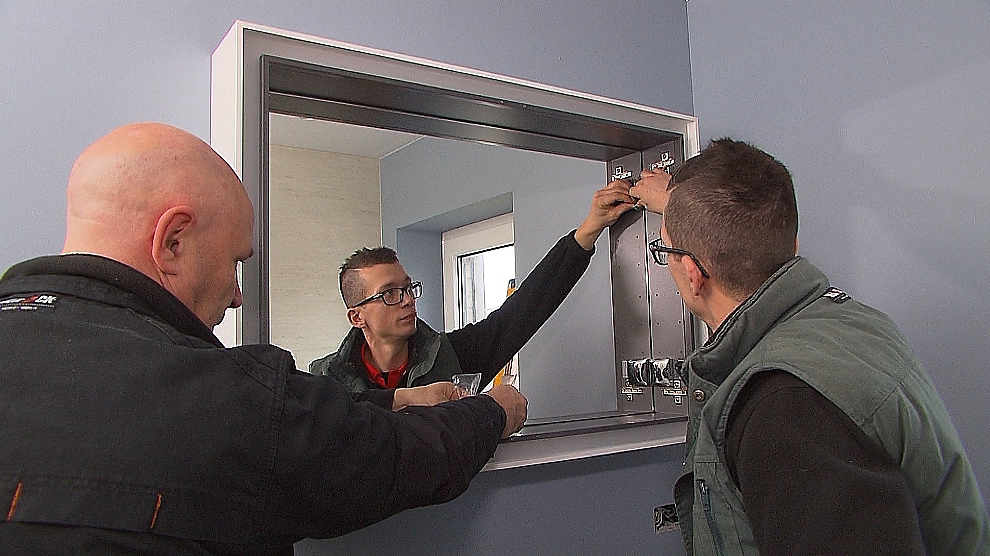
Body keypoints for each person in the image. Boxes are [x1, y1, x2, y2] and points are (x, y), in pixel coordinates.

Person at [0, 122, 529, 555]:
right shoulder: (235, 396)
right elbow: (391, 454)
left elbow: (512, 321)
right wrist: (493, 410)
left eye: (407, 289)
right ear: (173, 241)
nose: (237, 296)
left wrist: (401, 399)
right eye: (235, 262)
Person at [626, 138, 989, 556]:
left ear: (692, 274)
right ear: (792, 245)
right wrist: (682, 207)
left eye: (664, 251)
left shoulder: (783, 405)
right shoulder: (854, 325)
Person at [309, 180, 636, 394]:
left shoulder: (452, 357)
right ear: (357, 316)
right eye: (390, 293)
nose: (407, 300)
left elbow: (526, 308)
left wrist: (590, 228)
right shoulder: (325, 384)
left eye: (408, 288)